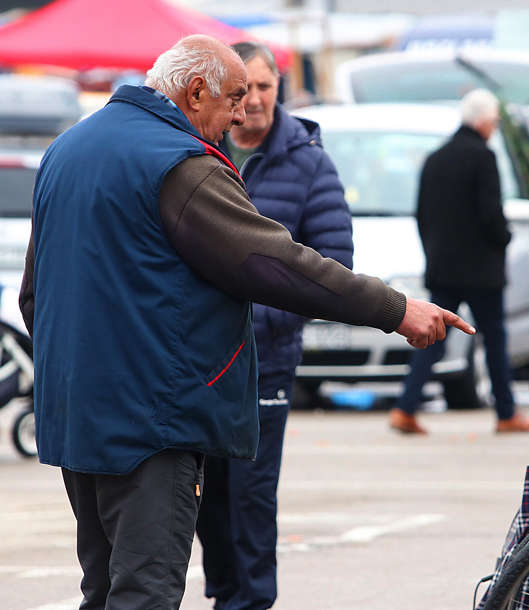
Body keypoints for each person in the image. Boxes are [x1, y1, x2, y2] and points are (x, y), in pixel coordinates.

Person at [20, 35, 474, 610]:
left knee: (105, 589)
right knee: (145, 593)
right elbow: (275, 264)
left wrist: (78, 373)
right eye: (233, 96)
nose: (241, 112)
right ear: (193, 91)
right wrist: (396, 309)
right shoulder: (180, 163)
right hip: (151, 424)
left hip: (78, 415)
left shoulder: (67, 149)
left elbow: (35, 296)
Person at [193, 41, 353, 609]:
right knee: (204, 494)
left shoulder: (309, 162)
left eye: (265, 87)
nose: (255, 100)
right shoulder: (197, 152)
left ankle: (252, 601)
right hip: (200, 363)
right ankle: (226, 595)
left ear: (279, 88)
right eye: (244, 89)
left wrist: (258, 319)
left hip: (265, 361)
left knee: (252, 495)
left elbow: (334, 266)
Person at [388, 88, 529, 435]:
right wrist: (504, 238)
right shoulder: (483, 157)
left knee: (431, 333)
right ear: (485, 121)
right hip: (482, 270)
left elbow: (423, 214)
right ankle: (506, 414)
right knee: (495, 340)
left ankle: (405, 407)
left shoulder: (436, 157)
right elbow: (491, 214)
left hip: (443, 266)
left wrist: (434, 253)